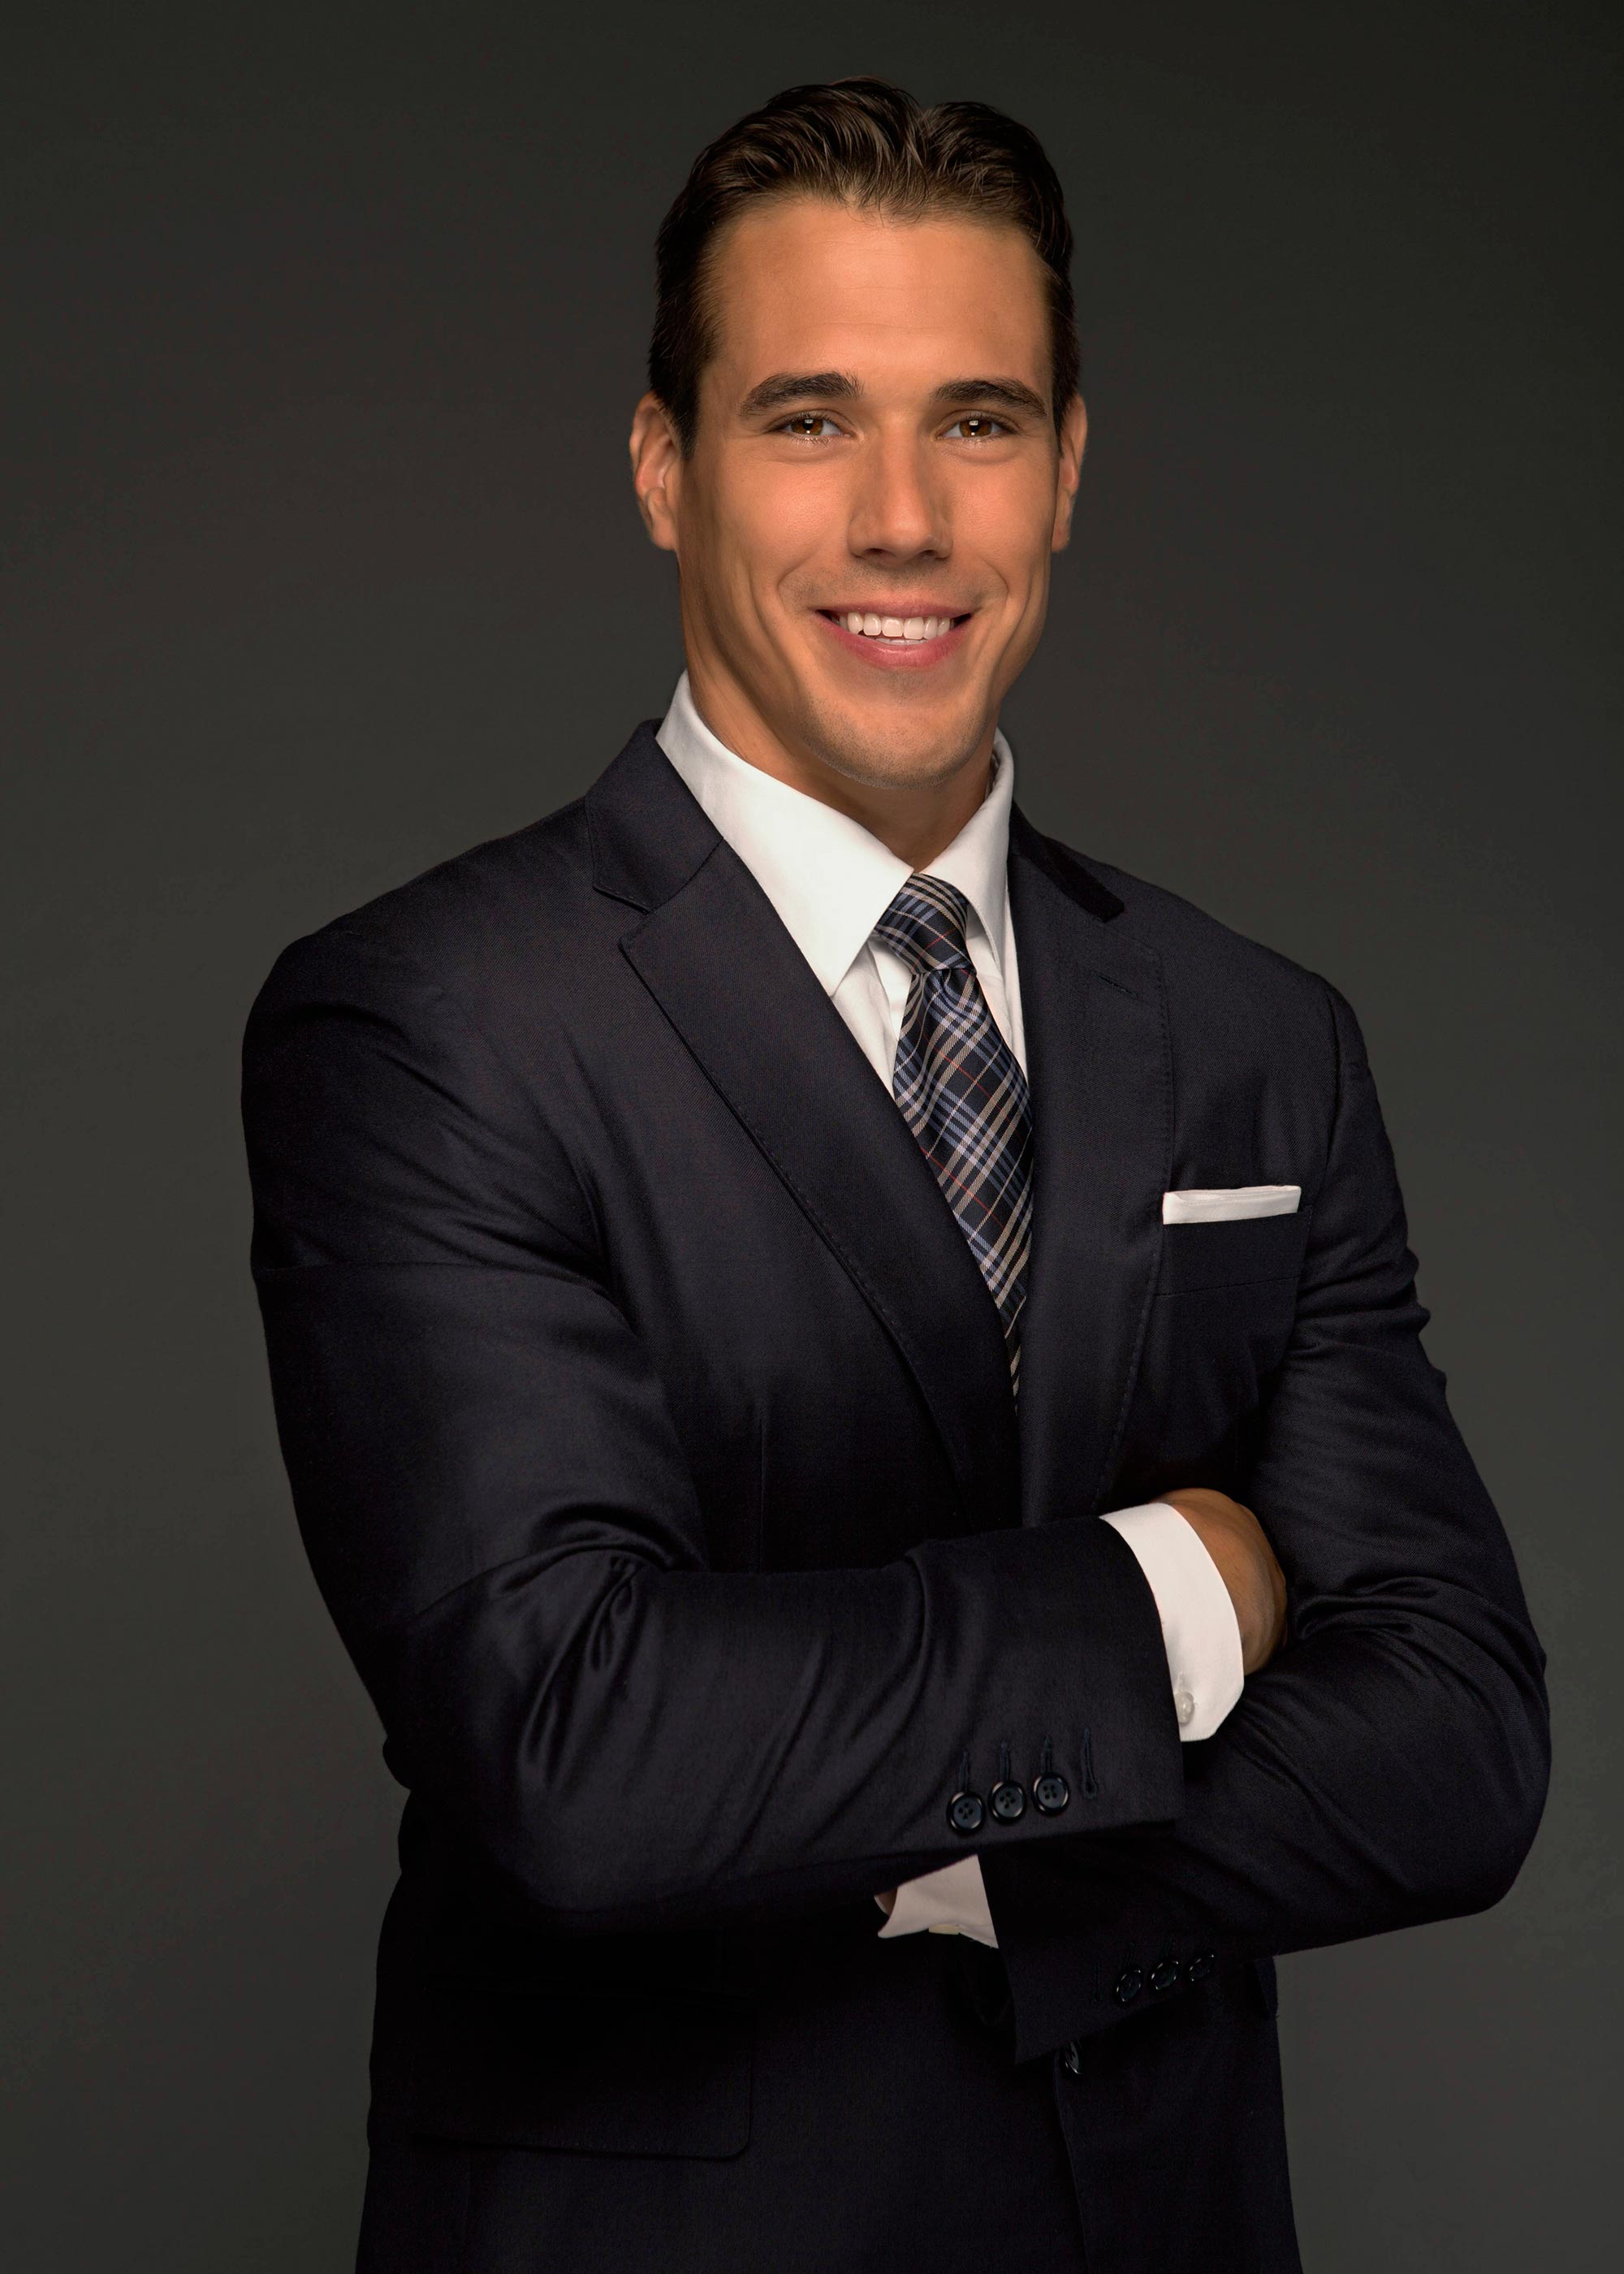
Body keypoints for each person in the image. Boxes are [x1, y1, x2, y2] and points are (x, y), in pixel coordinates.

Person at [241, 77, 1548, 2274]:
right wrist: (1177, 1592)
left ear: (1069, 470)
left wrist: (995, 1868)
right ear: (664, 468)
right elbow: (580, 1741)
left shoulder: (1259, 1035)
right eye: (809, 420)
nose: (906, 519)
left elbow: (1458, 1740)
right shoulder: (431, 1020)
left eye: (978, 422)